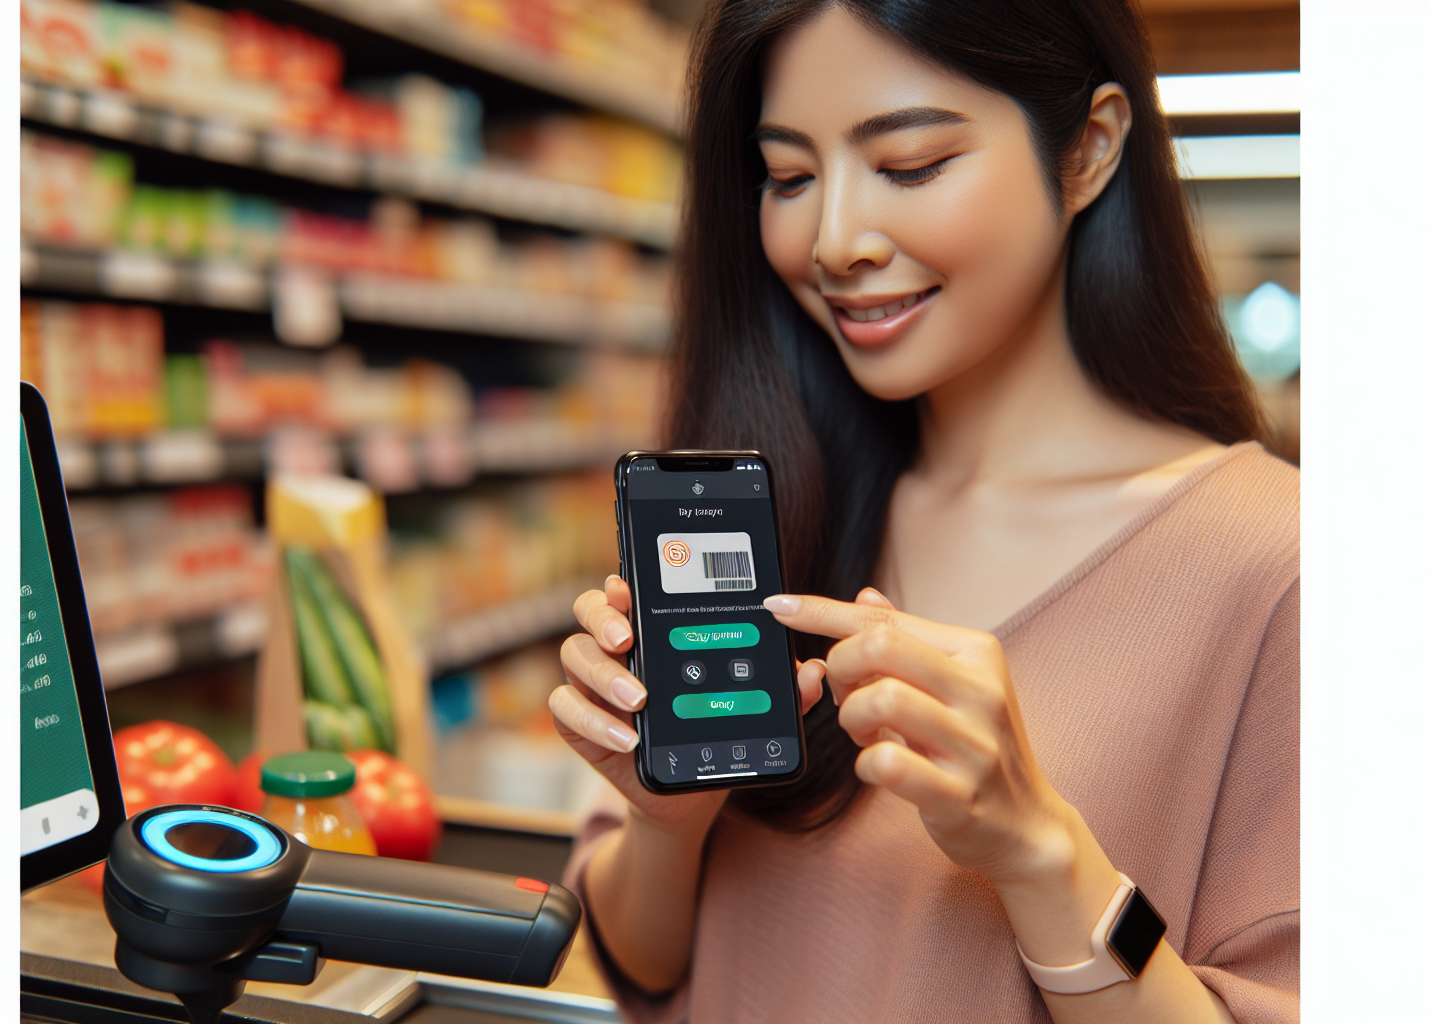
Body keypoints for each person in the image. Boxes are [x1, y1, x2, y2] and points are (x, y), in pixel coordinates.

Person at [548, 1, 1298, 1021]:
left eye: (908, 165)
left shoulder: (1277, 563)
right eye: (788, 177)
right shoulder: (758, 515)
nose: (835, 240)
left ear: (1086, 149)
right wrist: (667, 821)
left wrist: (1043, 857)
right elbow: (646, 969)